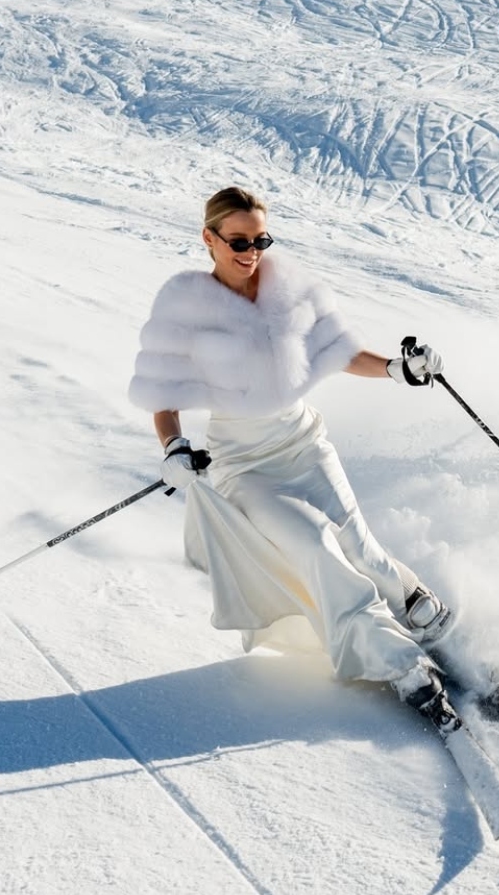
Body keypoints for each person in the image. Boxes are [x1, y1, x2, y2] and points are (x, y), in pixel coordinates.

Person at [128, 185, 457, 725]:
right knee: (315, 547)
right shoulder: (184, 308)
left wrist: (401, 370)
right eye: (238, 239)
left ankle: (406, 592)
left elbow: (340, 352)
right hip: (247, 467)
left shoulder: (287, 290)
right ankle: (396, 661)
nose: (251, 250)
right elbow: (162, 396)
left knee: (362, 550)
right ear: (208, 238)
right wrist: (174, 447)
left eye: (261, 238)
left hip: (303, 444)